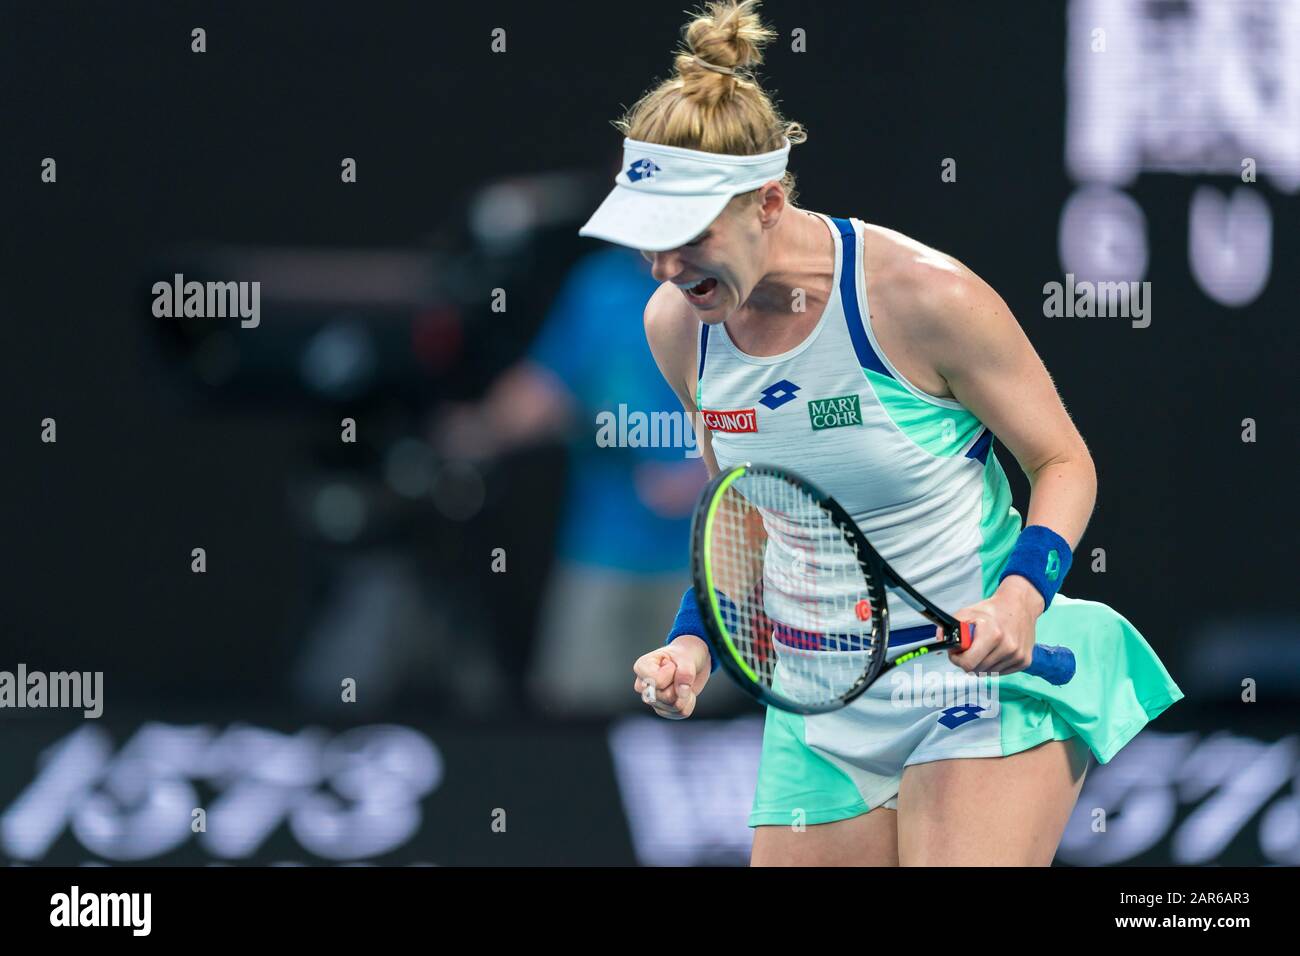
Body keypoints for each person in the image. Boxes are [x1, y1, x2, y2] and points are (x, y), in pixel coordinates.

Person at [577, 0, 1182, 864]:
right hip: (818, 699)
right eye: (648, 241)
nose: (667, 268)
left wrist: (1020, 595)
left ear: (769, 203)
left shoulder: (922, 298)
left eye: (687, 237)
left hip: (976, 684)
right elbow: (741, 512)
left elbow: (1063, 460)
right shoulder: (676, 324)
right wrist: (694, 640)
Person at [438, 244, 721, 717]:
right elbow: (546, 386)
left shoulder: (724, 286)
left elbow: (772, 403)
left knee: (698, 723)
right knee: (573, 716)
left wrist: (702, 476)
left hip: (707, 563)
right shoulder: (597, 284)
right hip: (600, 553)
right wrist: (481, 428)